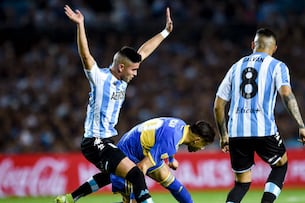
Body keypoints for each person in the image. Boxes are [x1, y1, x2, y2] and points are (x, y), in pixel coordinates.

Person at [56, 5, 173, 203]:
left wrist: (165, 32)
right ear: (121, 67)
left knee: (111, 175)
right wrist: (80, 25)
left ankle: (69, 198)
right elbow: (86, 57)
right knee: (135, 174)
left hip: (107, 140)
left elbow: (143, 51)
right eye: (133, 70)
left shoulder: (123, 77)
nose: (136, 73)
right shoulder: (100, 78)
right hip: (95, 141)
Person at [213, 28, 305, 203]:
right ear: (274, 48)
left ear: (253, 45)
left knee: (241, 184)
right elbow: (286, 94)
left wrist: (223, 135)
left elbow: (218, 105)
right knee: (281, 165)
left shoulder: (236, 67)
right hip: (263, 130)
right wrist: (301, 126)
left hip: (236, 132)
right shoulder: (277, 66)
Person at [58, 117, 215, 203]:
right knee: (123, 188)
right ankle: (71, 198)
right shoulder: (171, 143)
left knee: (167, 179)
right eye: (203, 145)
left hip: (138, 148)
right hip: (129, 155)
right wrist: (137, 196)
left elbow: (163, 141)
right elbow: (140, 169)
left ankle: (71, 198)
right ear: (197, 140)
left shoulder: (180, 125)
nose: (201, 149)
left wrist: (171, 159)